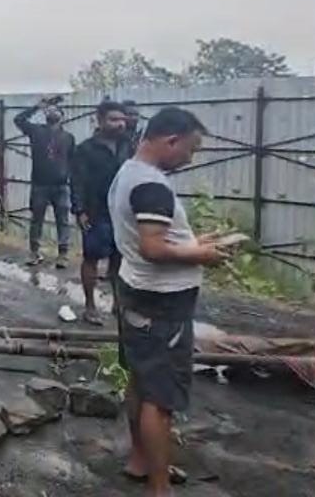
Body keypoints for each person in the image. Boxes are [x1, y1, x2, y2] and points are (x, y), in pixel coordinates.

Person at [109, 107, 230, 496]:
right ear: (171, 140)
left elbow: (149, 238)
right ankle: (160, 489)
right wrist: (202, 256)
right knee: (160, 400)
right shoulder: (152, 185)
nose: (190, 159)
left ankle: (140, 460)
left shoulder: (128, 172)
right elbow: (153, 247)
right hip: (162, 304)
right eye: (191, 150)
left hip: (135, 291)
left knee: (140, 380)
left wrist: (194, 243)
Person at [71, 100, 129, 325]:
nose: (120, 124)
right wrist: (80, 210)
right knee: (92, 258)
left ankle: (118, 303)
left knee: (120, 258)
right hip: (96, 212)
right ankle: (90, 306)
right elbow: (77, 182)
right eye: (114, 119)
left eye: (122, 120)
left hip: (122, 212)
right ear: (100, 120)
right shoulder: (85, 149)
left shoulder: (128, 145)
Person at [15, 96, 75, 267]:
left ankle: (63, 254)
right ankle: (34, 252)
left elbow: (72, 161)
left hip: (61, 185)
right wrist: (38, 106)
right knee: (37, 220)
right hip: (40, 184)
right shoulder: (36, 131)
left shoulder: (68, 137)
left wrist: (70, 179)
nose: (52, 111)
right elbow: (18, 120)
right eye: (50, 110)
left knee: (62, 221)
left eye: (56, 110)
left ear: (62, 116)